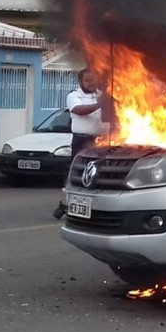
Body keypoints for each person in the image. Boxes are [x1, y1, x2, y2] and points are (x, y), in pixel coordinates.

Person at [52, 68, 109, 219]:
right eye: (87, 81)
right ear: (80, 81)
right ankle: (64, 205)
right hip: (82, 140)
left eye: (93, 80)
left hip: (101, 141)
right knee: (76, 173)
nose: (91, 83)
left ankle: (97, 206)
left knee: (101, 174)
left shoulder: (101, 95)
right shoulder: (74, 95)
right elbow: (79, 110)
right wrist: (99, 105)